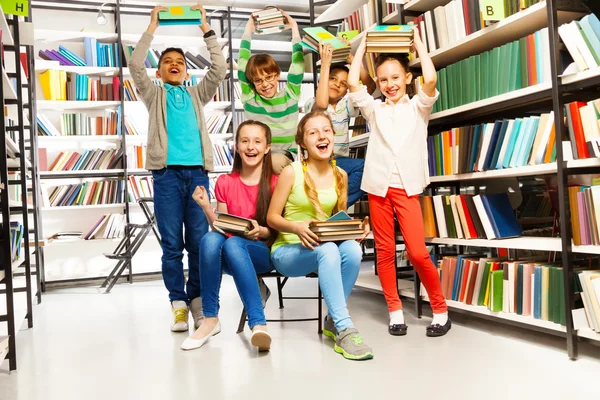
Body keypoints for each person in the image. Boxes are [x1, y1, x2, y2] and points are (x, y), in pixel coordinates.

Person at [129, 4, 227, 332]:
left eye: (180, 63)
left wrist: (205, 28)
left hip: (198, 174)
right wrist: (152, 26)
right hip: (167, 175)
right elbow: (134, 65)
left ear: (187, 72)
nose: (174, 65)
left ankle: (198, 300)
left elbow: (220, 68)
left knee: (200, 242)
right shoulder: (154, 95)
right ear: (158, 73)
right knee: (172, 244)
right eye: (167, 62)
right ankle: (178, 303)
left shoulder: (198, 95)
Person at [347, 28, 450, 337]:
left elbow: (430, 79)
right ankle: (394, 310)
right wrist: (364, 45)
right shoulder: (374, 108)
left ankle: (440, 309)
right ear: (377, 83)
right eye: (382, 80)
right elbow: (354, 82)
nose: (389, 84)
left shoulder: (419, 107)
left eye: (395, 77)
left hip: (406, 188)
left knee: (417, 252)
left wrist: (418, 42)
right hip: (378, 188)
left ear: (407, 78)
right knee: (385, 251)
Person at [266, 111, 373, 361]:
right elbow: (272, 218)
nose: (321, 136)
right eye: (313, 132)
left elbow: (338, 222)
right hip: (288, 251)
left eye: (326, 130)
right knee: (329, 250)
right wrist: (298, 227)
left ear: (333, 136)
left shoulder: (341, 176)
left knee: (352, 250)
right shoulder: (291, 172)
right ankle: (345, 328)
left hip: (323, 248)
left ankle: (331, 320)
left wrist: (356, 231)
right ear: (303, 142)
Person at [181, 120, 278, 352]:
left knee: (234, 244)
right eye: (244, 141)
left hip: (262, 251)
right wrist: (206, 207)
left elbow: (277, 229)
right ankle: (210, 318)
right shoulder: (225, 182)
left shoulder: (276, 182)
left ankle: (258, 324)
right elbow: (222, 228)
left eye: (257, 141)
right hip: (232, 249)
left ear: (267, 147)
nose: (250, 147)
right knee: (210, 239)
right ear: (236, 146)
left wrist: (262, 230)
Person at [305, 41, 376, 207]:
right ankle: (333, 206)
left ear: (347, 90)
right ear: (323, 80)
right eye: (332, 78)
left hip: (341, 162)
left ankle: (333, 206)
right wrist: (325, 65)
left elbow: (371, 87)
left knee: (369, 170)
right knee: (365, 166)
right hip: (319, 161)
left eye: (343, 83)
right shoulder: (312, 104)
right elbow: (322, 104)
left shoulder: (346, 105)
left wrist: (353, 60)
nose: (337, 84)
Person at [237, 9, 304, 174]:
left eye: (269, 77)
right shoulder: (251, 99)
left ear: (277, 75)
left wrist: (294, 26)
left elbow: (298, 64)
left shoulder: (290, 95)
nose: (265, 84)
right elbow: (242, 64)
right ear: (252, 83)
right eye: (258, 80)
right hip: (257, 154)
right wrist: (248, 29)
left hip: (283, 155)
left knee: (273, 163)